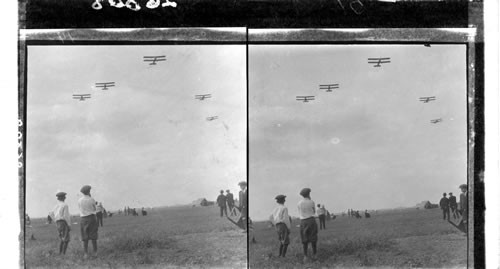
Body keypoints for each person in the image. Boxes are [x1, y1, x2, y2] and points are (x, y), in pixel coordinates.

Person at [297, 188, 318, 262]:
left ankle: (305, 256)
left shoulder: (299, 203)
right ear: (308, 194)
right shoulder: (311, 201)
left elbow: (299, 212)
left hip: (303, 221)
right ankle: (314, 254)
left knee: (304, 238)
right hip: (311, 220)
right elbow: (314, 211)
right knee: (313, 238)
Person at [78, 185, 98, 258]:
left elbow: (80, 208)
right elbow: (94, 209)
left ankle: (85, 253)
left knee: (85, 236)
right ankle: (95, 252)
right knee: (93, 236)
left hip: (83, 219)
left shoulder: (79, 200)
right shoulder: (91, 199)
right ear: (89, 191)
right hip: (91, 218)